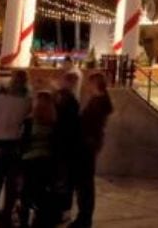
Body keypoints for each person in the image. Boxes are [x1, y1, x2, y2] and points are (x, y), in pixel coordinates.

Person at [0, 69, 31, 227]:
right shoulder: (26, 102)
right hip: (15, 145)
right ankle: (6, 219)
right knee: (11, 188)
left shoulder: (2, 100)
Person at [68, 71, 114, 228]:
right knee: (85, 184)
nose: (87, 86)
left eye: (89, 83)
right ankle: (84, 216)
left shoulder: (98, 103)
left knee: (85, 184)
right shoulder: (99, 102)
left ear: (95, 84)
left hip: (87, 146)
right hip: (89, 144)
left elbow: (89, 124)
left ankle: (84, 217)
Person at [19, 91, 58, 228]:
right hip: (46, 161)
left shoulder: (29, 122)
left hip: (29, 161)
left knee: (25, 195)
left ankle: (24, 222)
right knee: (41, 195)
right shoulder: (53, 122)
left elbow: (22, 141)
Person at [50, 71, 82, 221]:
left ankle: (62, 209)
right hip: (65, 145)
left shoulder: (68, 102)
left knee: (63, 179)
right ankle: (61, 208)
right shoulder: (69, 100)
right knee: (62, 179)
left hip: (64, 145)